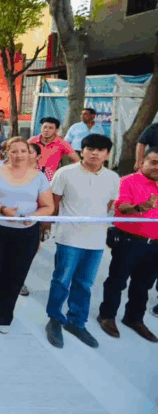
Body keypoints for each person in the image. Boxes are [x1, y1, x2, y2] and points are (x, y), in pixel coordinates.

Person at [41, 134, 120, 348]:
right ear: (82, 151)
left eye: (100, 150)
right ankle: (54, 319)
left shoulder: (113, 178)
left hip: (96, 240)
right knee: (61, 280)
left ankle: (76, 322)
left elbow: (107, 206)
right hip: (69, 237)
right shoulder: (65, 173)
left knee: (85, 284)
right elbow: (54, 204)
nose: (94, 153)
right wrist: (46, 227)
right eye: (90, 148)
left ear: (107, 154)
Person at [0, 137, 54, 334]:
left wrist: (33, 216)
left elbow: (48, 206)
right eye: (14, 151)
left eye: (23, 151)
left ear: (30, 153)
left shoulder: (40, 177)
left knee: (15, 275)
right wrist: (2, 209)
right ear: (7, 153)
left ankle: (3, 314)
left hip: (26, 233)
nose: (19, 155)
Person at [97, 146, 158, 343]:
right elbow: (121, 208)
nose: (157, 167)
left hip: (155, 245)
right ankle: (107, 315)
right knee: (117, 281)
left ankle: (134, 318)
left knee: (143, 285)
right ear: (142, 162)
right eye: (154, 162)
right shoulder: (127, 181)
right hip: (129, 241)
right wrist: (141, 207)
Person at [28, 117, 80, 181]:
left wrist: (64, 174)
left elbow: (77, 161)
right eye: (44, 127)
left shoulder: (62, 143)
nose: (46, 130)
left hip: (51, 178)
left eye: (50, 128)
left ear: (56, 131)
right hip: (31, 175)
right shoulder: (32, 141)